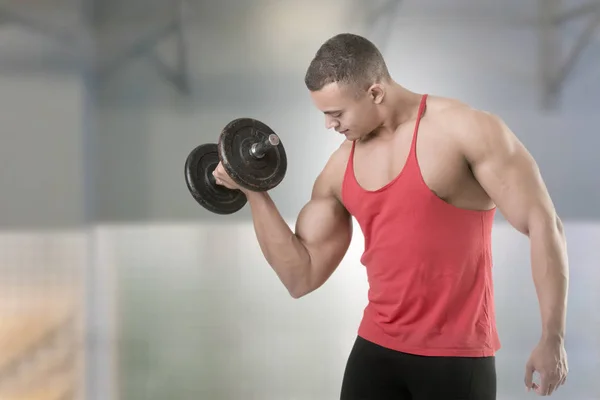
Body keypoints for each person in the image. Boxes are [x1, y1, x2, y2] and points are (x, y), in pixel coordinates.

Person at [212, 33, 569, 399]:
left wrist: (552, 337)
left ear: (375, 93)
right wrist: (254, 190)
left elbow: (543, 223)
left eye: (336, 114)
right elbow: (299, 276)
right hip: (376, 351)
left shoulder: (466, 130)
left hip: (455, 359)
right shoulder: (339, 168)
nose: (330, 126)